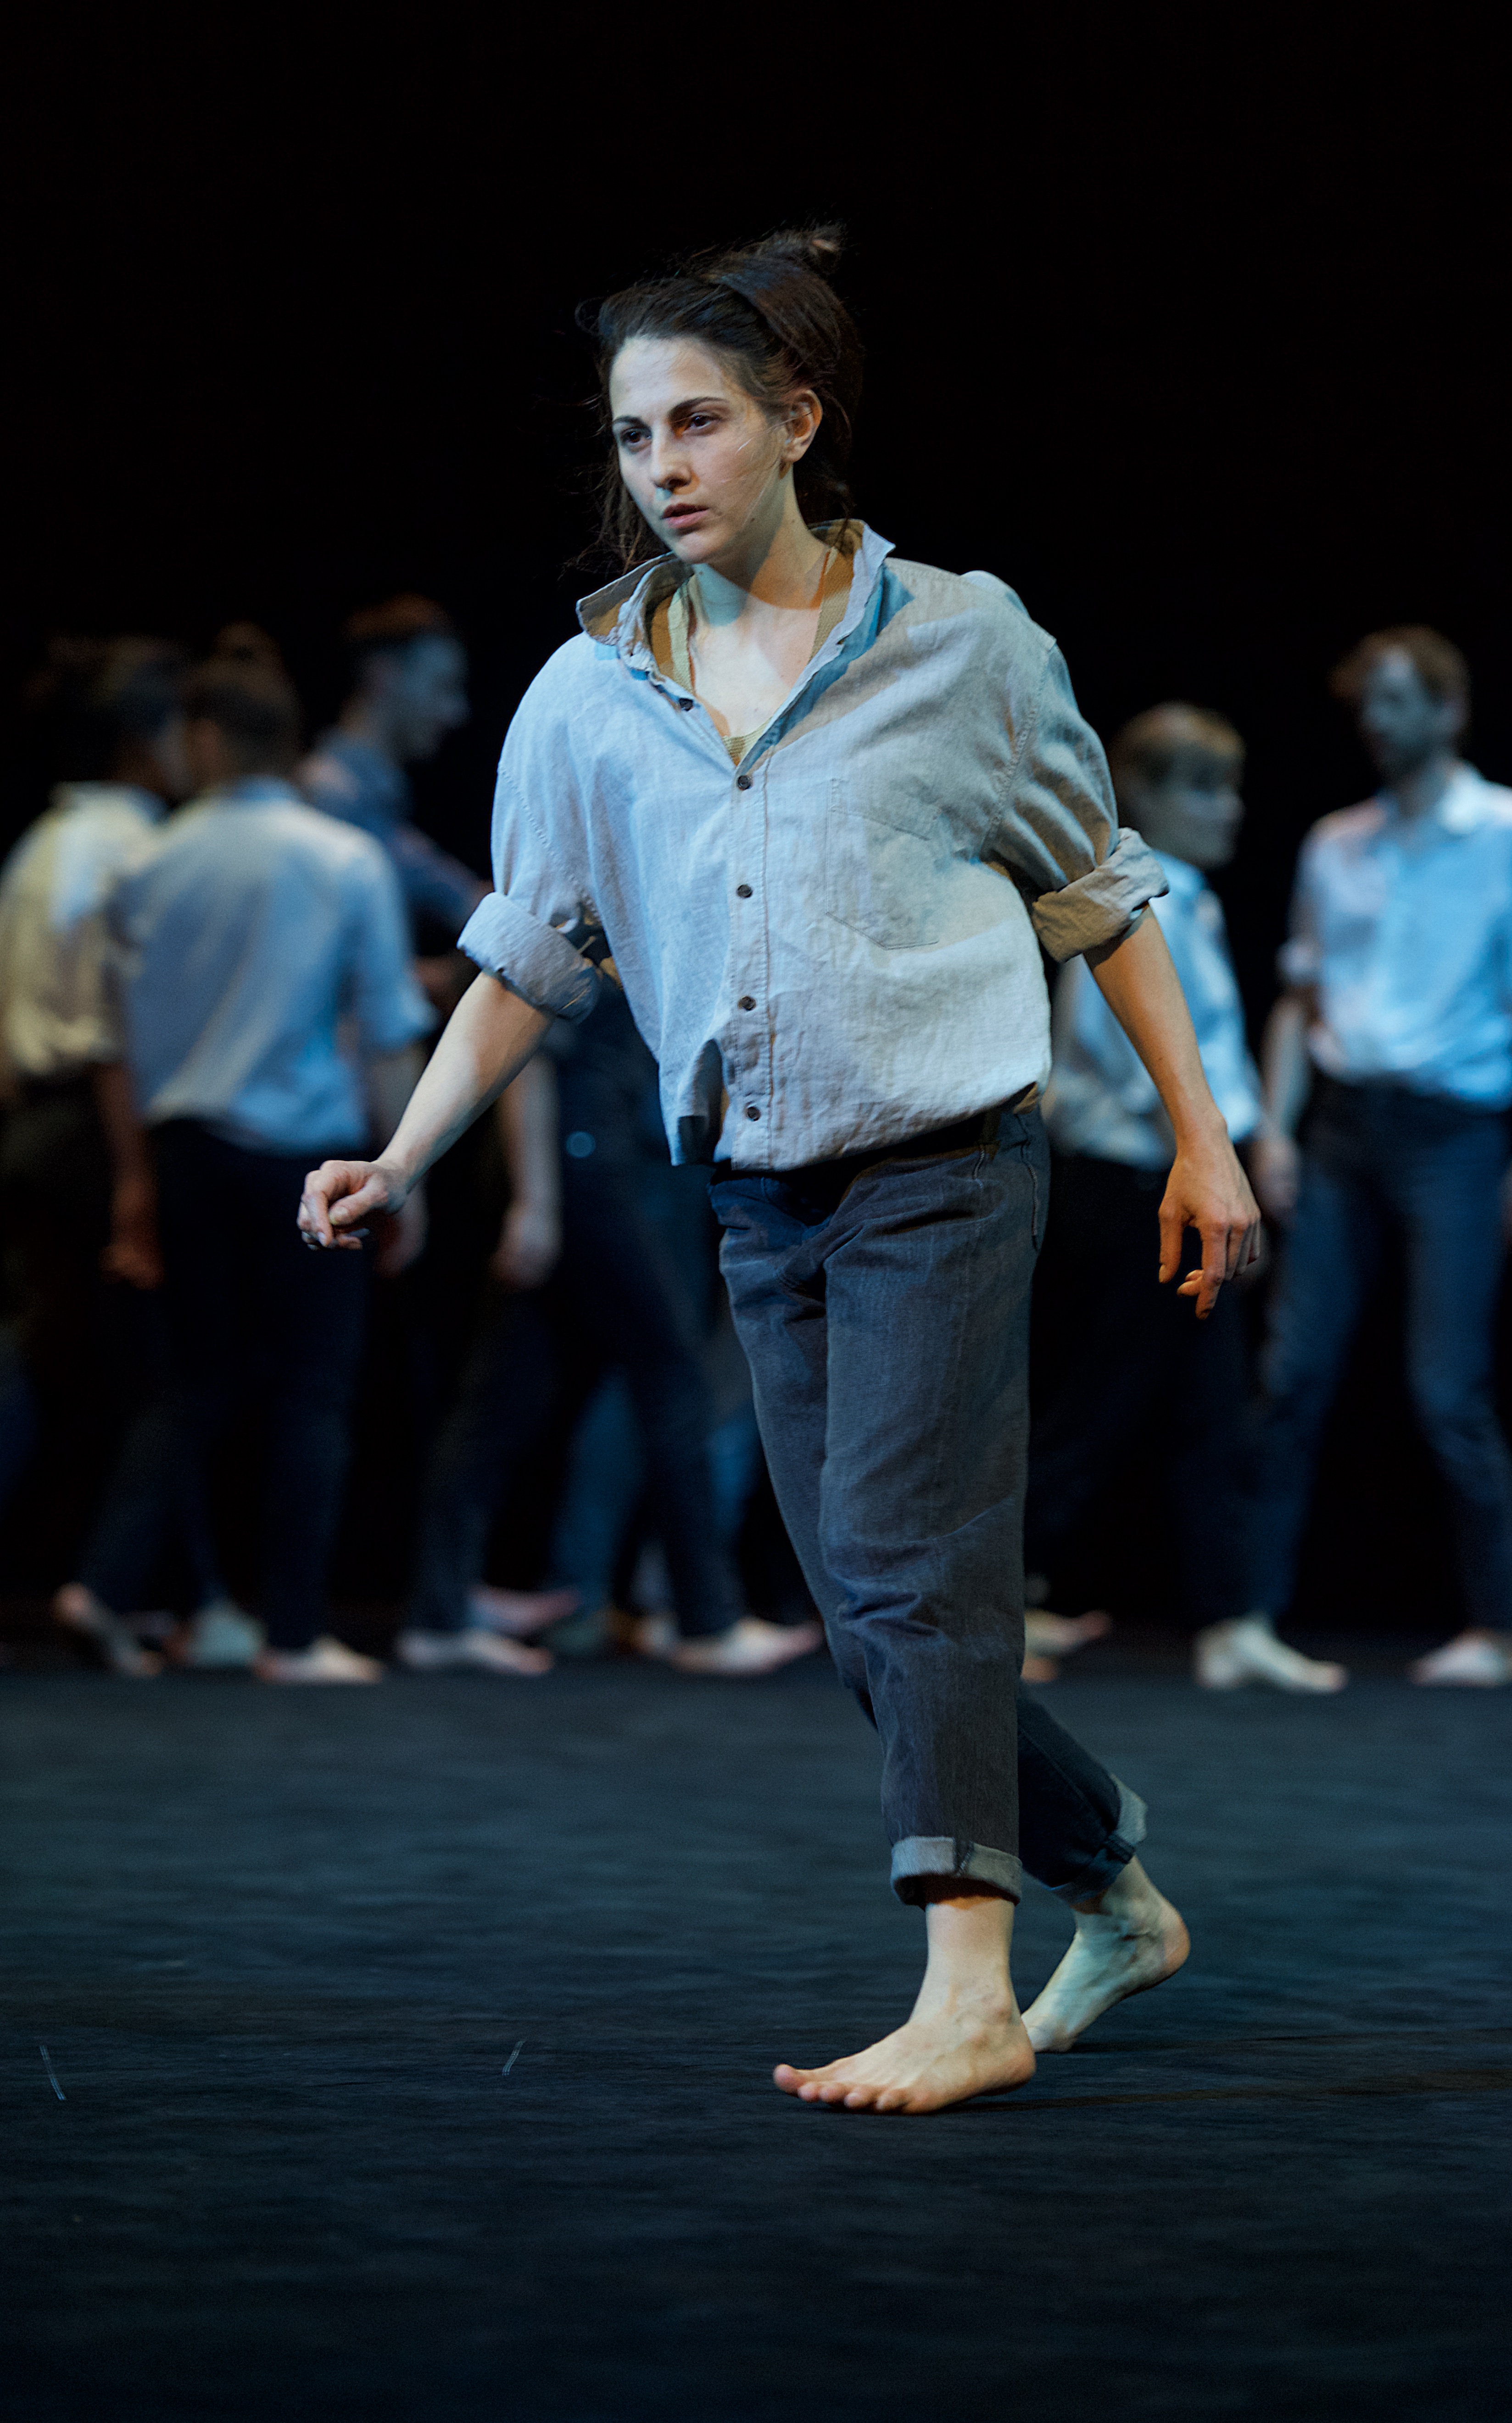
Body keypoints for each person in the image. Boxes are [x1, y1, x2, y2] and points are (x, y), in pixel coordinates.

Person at [301, 228, 1260, 2112]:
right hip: (756, 1189)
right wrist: (403, 1152)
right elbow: (532, 953)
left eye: (699, 421)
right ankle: (1115, 1888)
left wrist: (1204, 1137)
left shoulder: (962, 643)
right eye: (632, 432)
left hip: (947, 1160)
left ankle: (967, 1989)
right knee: (862, 1610)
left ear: (796, 421)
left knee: (918, 1562)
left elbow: (1102, 894)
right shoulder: (590, 695)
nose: (660, 464)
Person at [60, 646, 434, 1682]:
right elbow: (387, 1029)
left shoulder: (146, 865)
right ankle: (294, 1635)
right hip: (302, 1157)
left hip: (181, 1151)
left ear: (206, 737)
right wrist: (406, 1175)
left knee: (192, 1386)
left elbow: (114, 1048)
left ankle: (104, 1581)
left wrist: (134, 1182)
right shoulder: (340, 857)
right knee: (312, 1392)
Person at [1246, 627, 1512, 1686]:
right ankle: (1245, 1615)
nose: (1376, 721)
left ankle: (1497, 1626)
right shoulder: (1335, 841)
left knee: (1447, 1387)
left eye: (1397, 700)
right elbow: (1299, 998)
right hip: (1341, 1127)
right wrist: (1270, 1129)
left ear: (1448, 709)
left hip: (1452, 1130)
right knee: (1290, 1373)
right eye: (1366, 702)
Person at [1027, 704, 1345, 1693]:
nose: (1229, 808)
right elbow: (1123, 1060)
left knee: (1207, 1404)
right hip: (1132, 1185)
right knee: (1102, 1401)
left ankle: (1227, 1617)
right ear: (1146, 796)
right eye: (1203, 789)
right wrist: (1223, 1150)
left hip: (1179, 1177)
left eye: (1230, 787)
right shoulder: (1135, 906)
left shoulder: (1193, 901)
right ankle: (1005, 1596)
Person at [395, 979, 821, 1677]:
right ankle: (705, 1620)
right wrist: (536, 1203)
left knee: (507, 1396)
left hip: (595, 1160)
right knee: (671, 1379)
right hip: (586, 1166)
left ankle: (439, 1611)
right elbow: (526, 1056)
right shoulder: (585, 934)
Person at [0, 638, 241, 1672]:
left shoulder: (40, 845)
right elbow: (113, 1033)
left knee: (63, 1361)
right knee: (168, 1374)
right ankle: (136, 1591)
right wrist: (137, 1179)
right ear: (149, 739)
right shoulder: (136, 846)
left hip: (33, 1125)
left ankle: (177, 1594)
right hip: (100, 1131)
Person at [299, 594, 489, 982]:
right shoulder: (328, 796)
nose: (457, 711)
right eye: (442, 687)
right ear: (383, 675)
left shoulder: (371, 798)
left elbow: (454, 893)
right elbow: (316, 963)